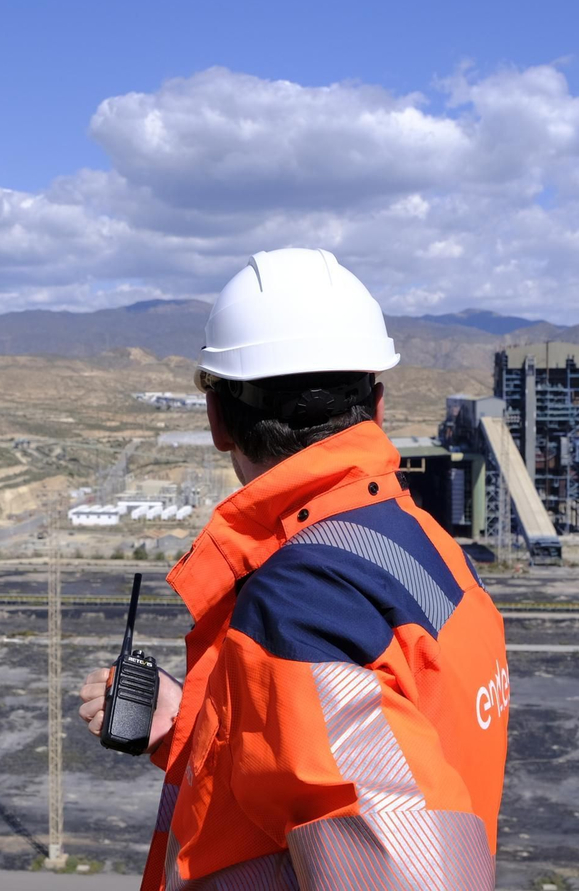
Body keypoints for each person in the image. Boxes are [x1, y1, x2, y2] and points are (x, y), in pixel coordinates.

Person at [78, 248, 509, 890]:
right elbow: (356, 756)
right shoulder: (423, 545)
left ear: (218, 420)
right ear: (378, 404)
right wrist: (191, 728)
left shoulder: (301, 607)